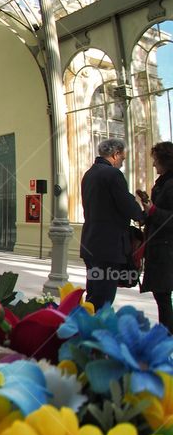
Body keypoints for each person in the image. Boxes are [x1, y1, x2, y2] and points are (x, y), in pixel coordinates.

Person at [80, 138, 145, 311]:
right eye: (122, 158)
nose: (122, 163)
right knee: (104, 298)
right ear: (115, 154)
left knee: (93, 294)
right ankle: (96, 327)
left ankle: (87, 324)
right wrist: (142, 215)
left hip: (90, 242)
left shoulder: (89, 174)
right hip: (108, 246)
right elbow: (127, 205)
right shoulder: (113, 174)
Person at [137, 142, 173, 332]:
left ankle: (166, 335)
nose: (153, 164)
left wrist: (152, 211)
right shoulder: (163, 183)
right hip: (160, 246)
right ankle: (165, 333)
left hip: (166, 249)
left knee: (163, 295)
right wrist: (146, 213)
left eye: (156, 160)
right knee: (161, 295)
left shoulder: (170, 184)